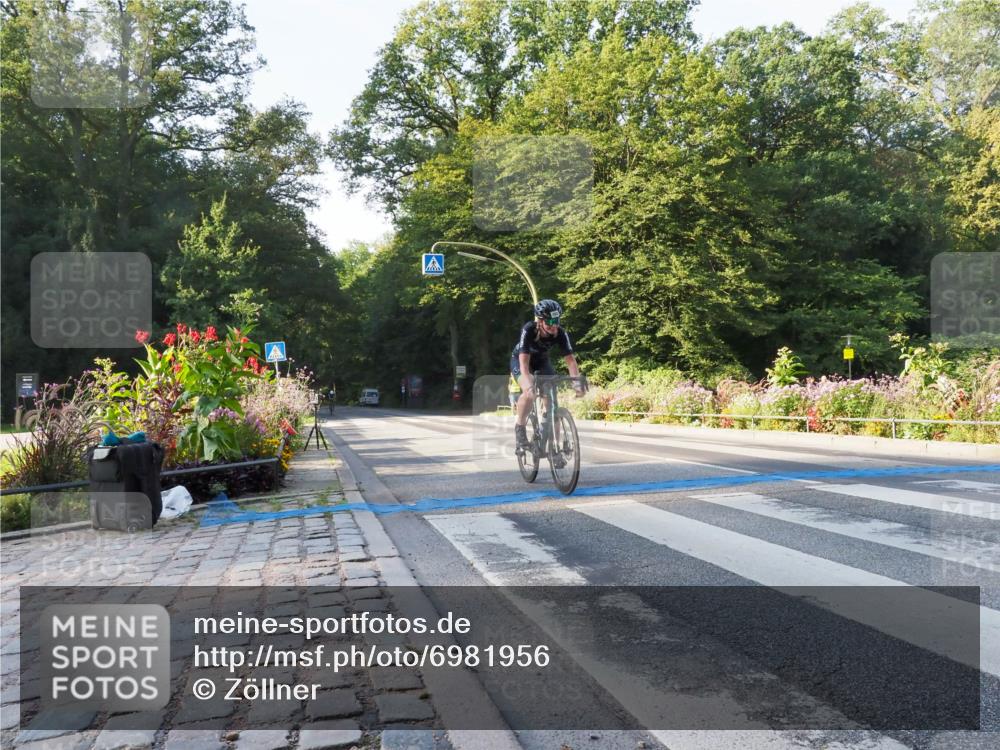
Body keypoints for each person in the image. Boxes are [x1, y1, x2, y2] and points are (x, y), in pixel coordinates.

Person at [511, 299, 582, 449]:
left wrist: (576, 383)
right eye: (549, 322)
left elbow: (570, 361)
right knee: (529, 393)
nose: (554, 326)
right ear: (540, 321)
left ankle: (554, 449)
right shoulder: (529, 329)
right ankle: (520, 427)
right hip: (521, 361)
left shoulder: (560, 333)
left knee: (552, 406)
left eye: (556, 321)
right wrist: (529, 385)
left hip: (542, 362)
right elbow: (524, 363)